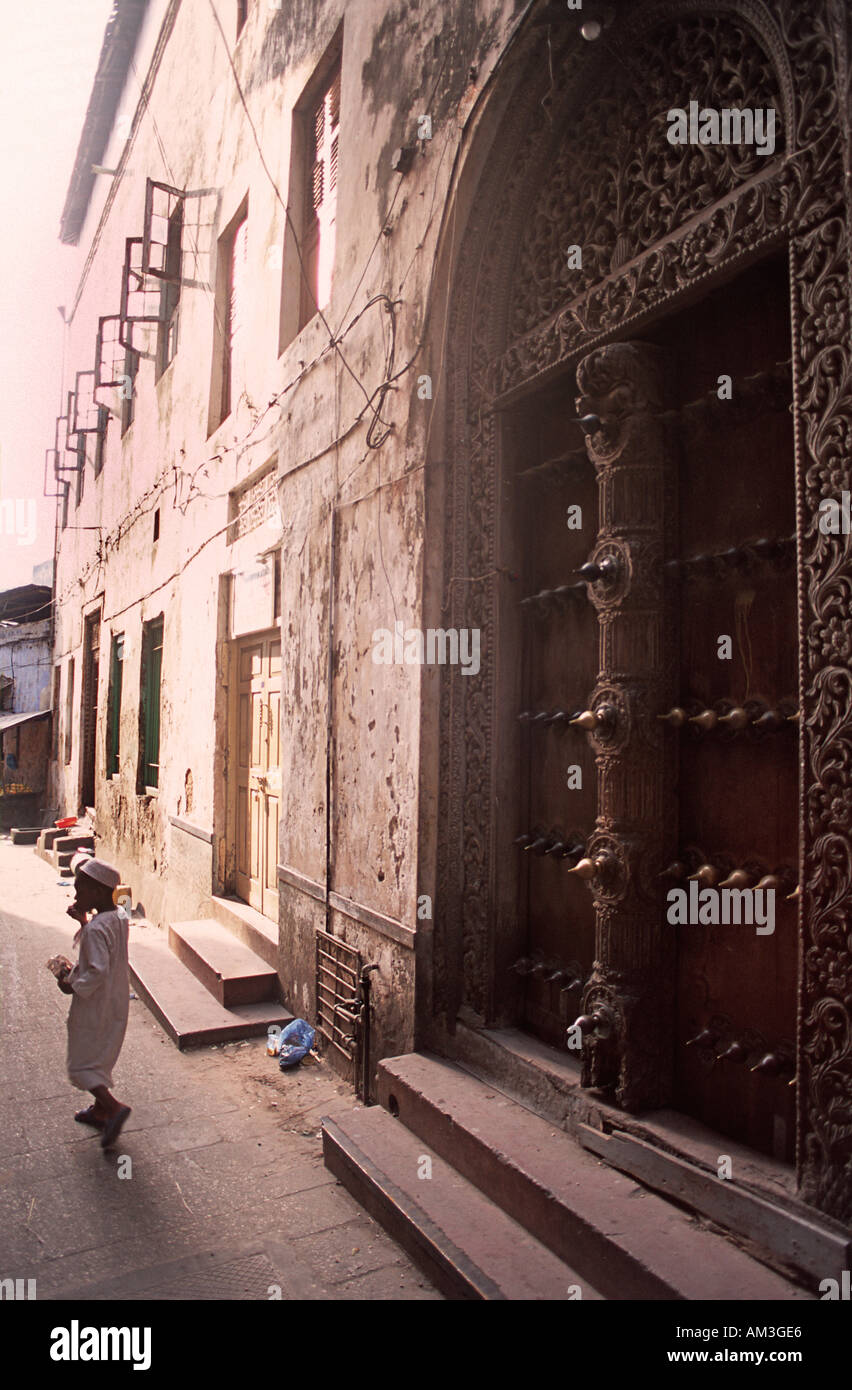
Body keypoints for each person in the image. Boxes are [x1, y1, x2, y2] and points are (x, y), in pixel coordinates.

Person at [56, 858, 132, 1150]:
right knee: (98, 1054)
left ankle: (113, 1107)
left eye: (80, 891)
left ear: (98, 894)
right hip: (114, 1001)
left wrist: (70, 984)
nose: (76, 898)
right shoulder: (120, 917)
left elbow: (96, 970)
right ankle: (100, 1112)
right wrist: (83, 922)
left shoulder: (96, 929)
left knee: (82, 1063)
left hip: (95, 1005)